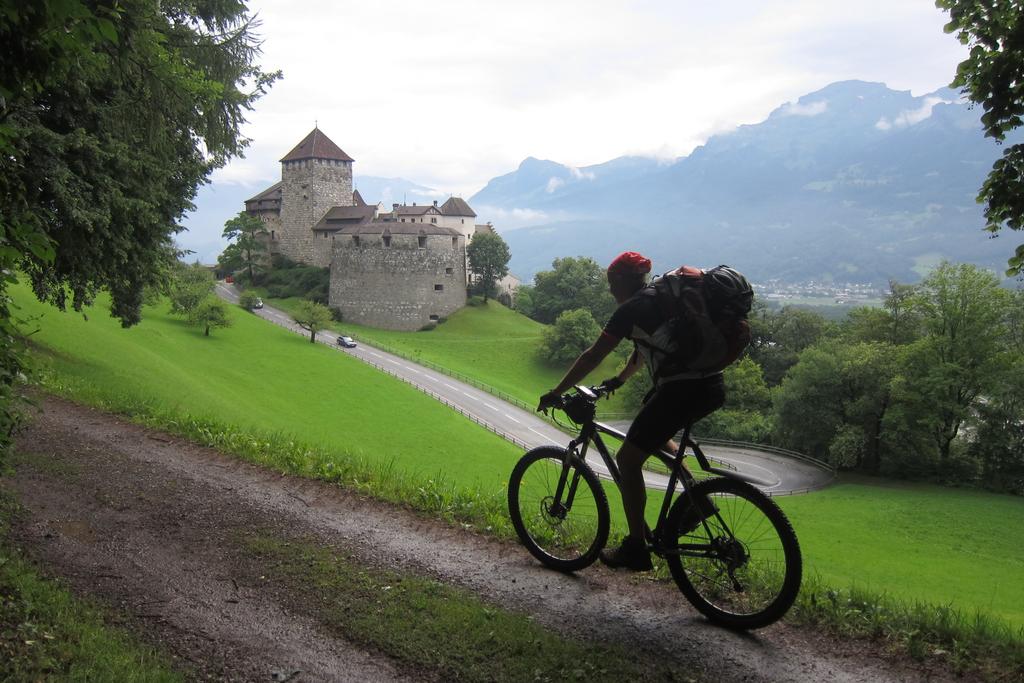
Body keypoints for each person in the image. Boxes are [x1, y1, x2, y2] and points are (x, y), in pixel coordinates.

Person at [537, 251, 725, 571]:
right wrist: (617, 381)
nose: (610, 291)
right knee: (656, 437)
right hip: (710, 385)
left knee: (627, 458)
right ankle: (698, 501)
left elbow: (592, 355)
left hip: (683, 388)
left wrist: (556, 392)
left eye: (612, 284)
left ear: (623, 281)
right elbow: (643, 351)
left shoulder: (631, 310)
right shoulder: (658, 300)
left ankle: (637, 547)